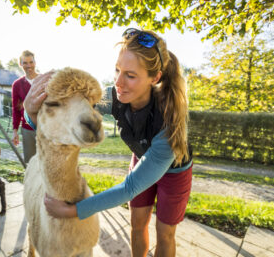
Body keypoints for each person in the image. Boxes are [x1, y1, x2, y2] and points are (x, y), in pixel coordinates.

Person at [24, 29, 193, 257]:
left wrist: (74, 210)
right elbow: (69, 116)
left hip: (174, 172)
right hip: (142, 158)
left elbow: (129, 188)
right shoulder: (116, 96)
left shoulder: (168, 122)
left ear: (155, 78)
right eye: (117, 70)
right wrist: (31, 113)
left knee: (165, 232)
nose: (119, 82)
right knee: (137, 224)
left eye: (130, 75)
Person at [11, 50, 38, 164]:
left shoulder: (45, 81)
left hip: (46, 128)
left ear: (35, 62)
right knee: (31, 163)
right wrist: (15, 131)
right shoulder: (17, 85)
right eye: (25, 63)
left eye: (31, 62)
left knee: (48, 162)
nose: (29, 66)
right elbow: (16, 109)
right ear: (20, 64)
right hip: (28, 129)